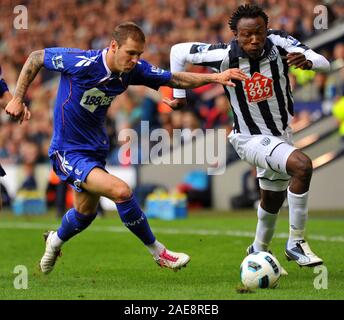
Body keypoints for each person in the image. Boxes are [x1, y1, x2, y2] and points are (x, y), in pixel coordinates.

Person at [5, 22, 247, 274]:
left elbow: (173, 77)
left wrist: (216, 77)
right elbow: (36, 57)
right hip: (68, 151)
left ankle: (54, 241)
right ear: (113, 46)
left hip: (95, 150)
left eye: (139, 54)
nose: (135, 60)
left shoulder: (132, 71)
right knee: (121, 191)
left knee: (85, 214)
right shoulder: (80, 61)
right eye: (130, 53)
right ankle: (159, 252)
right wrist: (18, 98)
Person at [167, 4, 330, 267]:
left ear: (266, 30)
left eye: (259, 33)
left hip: (281, 136)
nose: (254, 39)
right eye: (246, 35)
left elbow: (325, 63)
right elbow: (177, 52)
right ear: (235, 34)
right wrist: (179, 96)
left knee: (272, 199)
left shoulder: (279, 42)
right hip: (249, 138)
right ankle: (296, 242)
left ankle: (257, 250)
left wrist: (309, 61)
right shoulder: (222, 54)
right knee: (302, 166)